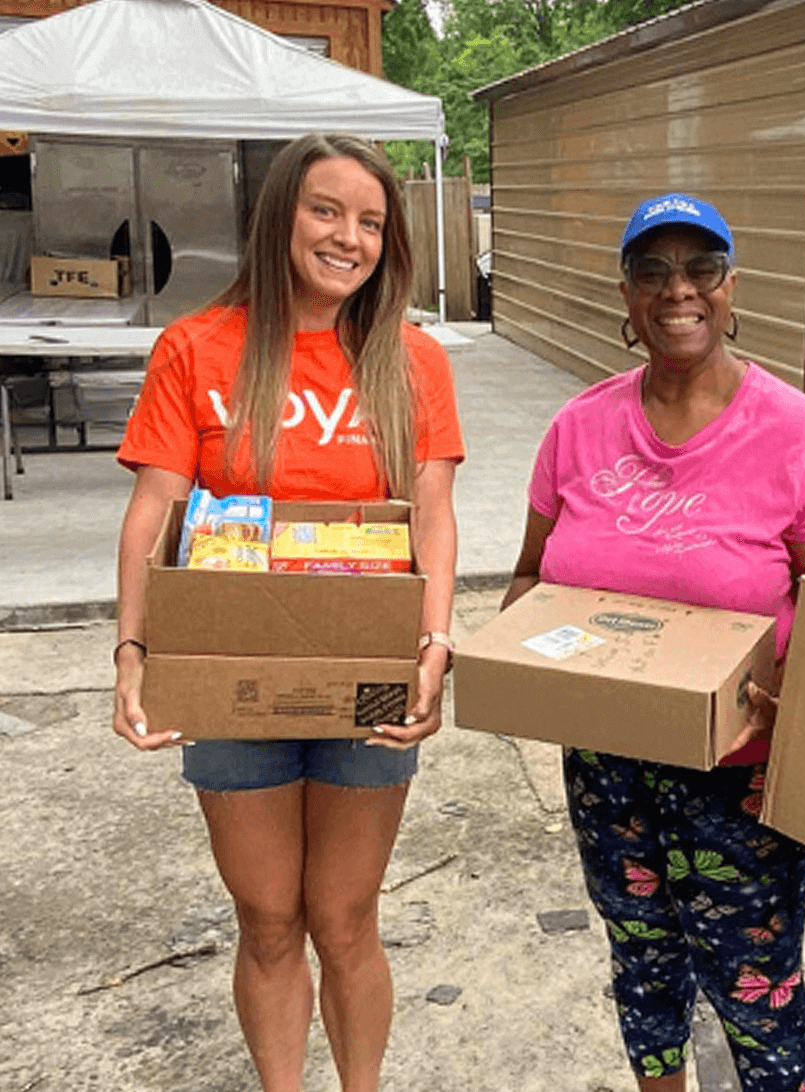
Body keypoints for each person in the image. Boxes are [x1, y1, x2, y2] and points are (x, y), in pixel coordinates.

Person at [111, 133, 463, 1092]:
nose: (347, 237)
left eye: (370, 221)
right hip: (228, 673)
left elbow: (431, 511)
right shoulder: (195, 348)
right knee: (268, 921)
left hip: (367, 675)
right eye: (325, 210)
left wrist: (434, 648)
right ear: (281, 216)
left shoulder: (413, 359)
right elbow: (153, 507)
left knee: (345, 920)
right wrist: (132, 650)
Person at [504, 192, 805, 1092]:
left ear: (729, 285)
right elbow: (528, 582)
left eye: (699, 268)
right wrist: (521, 660)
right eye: (651, 270)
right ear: (627, 295)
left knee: (757, 994)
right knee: (642, 969)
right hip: (606, 762)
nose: (678, 290)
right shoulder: (579, 428)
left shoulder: (803, 439)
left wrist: (788, 717)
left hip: (741, 776)